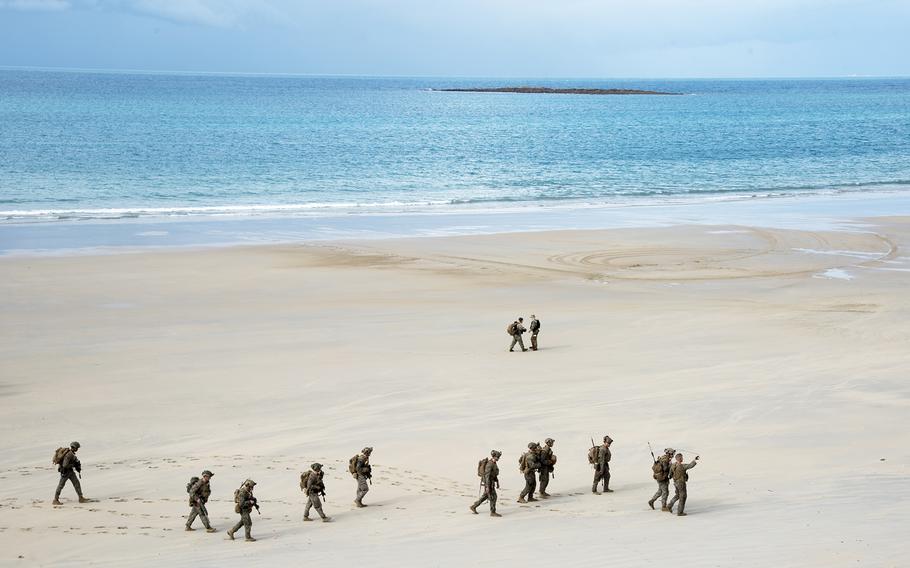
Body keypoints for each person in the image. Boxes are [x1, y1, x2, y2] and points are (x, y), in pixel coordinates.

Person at [470, 450, 502, 517]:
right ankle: (493, 512)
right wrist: (487, 486)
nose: (498, 458)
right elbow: (487, 476)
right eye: (497, 456)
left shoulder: (494, 463)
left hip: (491, 482)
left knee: (485, 496)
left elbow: (494, 474)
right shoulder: (490, 464)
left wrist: (497, 482)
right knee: (493, 497)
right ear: (494, 456)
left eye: (498, 457)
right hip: (489, 483)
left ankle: (474, 506)